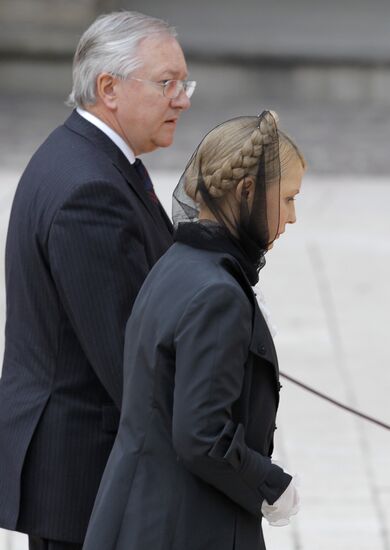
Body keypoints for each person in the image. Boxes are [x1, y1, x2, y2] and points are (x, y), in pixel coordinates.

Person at [0, 11, 194, 550]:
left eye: (184, 83)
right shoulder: (89, 189)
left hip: (83, 472)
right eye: (166, 83)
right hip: (86, 478)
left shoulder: (93, 158)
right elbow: (129, 359)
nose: (182, 98)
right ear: (109, 87)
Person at [82, 111, 305, 550]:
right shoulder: (217, 293)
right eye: (288, 199)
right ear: (247, 191)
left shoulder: (177, 261)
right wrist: (271, 486)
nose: (292, 217)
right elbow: (202, 435)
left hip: (139, 513)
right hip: (183, 526)